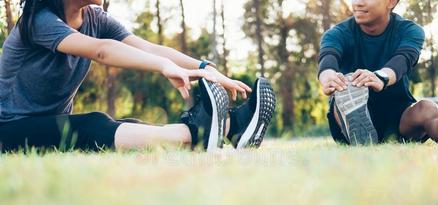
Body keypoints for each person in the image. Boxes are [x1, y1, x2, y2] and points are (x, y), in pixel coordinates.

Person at [0, 0, 277, 152]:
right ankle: (200, 133)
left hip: (45, 123)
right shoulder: (38, 21)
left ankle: (232, 128)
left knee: (128, 125)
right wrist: (162, 66)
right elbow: (103, 51)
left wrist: (207, 69)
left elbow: (148, 47)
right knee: (93, 124)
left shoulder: (95, 18)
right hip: (8, 128)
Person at [318, 0, 438, 145]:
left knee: (427, 109)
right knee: (343, 92)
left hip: (399, 116)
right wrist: (328, 77)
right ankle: (354, 129)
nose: (357, 3)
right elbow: (328, 57)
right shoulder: (337, 34)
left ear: (391, 2)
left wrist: (381, 77)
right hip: (345, 119)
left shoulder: (410, 31)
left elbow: (403, 59)